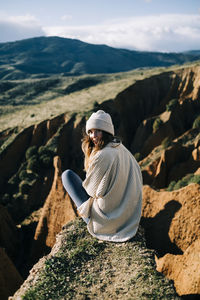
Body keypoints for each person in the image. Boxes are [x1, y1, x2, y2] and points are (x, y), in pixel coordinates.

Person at [62, 110, 143, 242]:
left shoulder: (103, 155)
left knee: (67, 176)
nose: (93, 136)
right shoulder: (121, 149)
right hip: (126, 214)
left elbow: (90, 191)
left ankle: (91, 220)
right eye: (90, 131)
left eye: (98, 131)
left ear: (106, 132)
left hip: (108, 219)